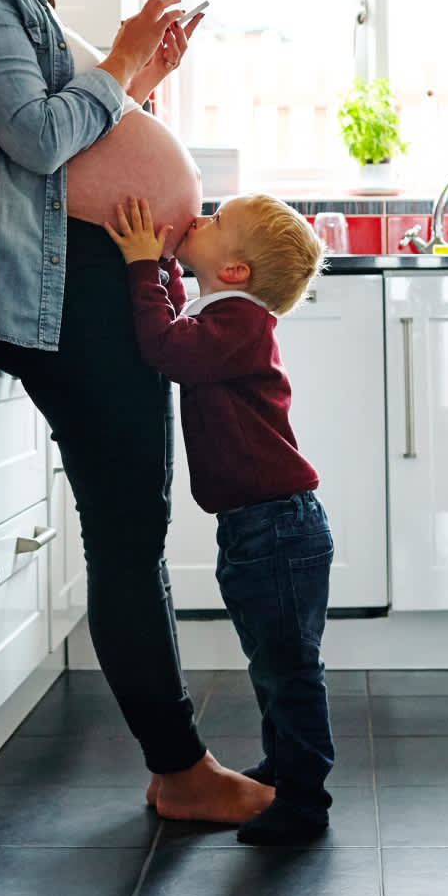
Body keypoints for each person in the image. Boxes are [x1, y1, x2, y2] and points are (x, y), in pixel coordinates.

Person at [0, 0, 271, 824]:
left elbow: (85, 137)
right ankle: (180, 770)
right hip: (64, 288)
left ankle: (178, 766)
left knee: (135, 526)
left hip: (99, 279)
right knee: (128, 531)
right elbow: (33, 140)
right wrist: (119, 65)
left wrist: (140, 75)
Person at [104, 194, 336, 845]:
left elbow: (167, 348)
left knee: (289, 668)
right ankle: (288, 767)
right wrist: (168, 272)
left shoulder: (240, 323)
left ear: (234, 271)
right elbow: (182, 326)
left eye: (215, 221)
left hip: (276, 529)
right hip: (258, 527)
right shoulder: (224, 312)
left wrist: (143, 266)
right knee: (274, 663)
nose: (199, 218)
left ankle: (305, 797)